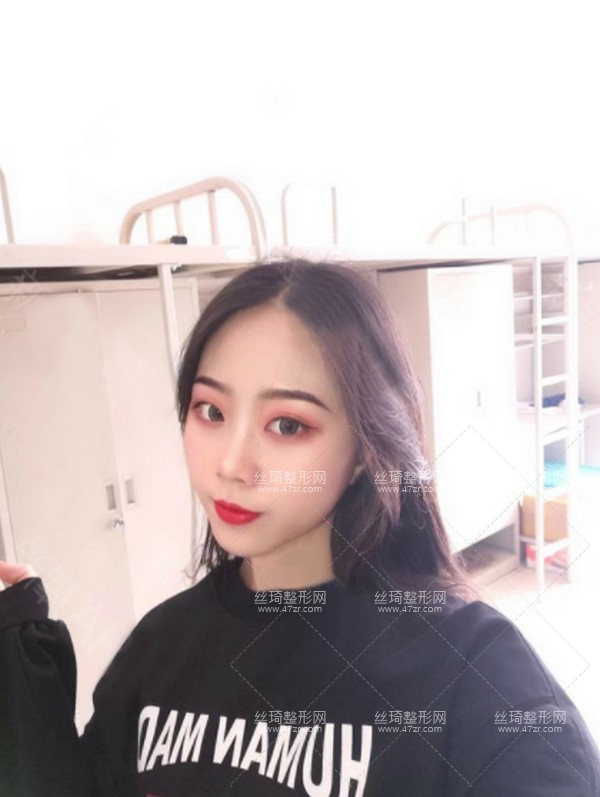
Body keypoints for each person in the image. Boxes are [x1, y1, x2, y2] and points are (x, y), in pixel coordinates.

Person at [1, 258, 599, 797]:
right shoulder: (160, 646)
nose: (231, 464)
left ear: (363, 450)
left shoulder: (470, 669)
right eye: (212, 411)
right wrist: (19, 665)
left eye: (287, 425)